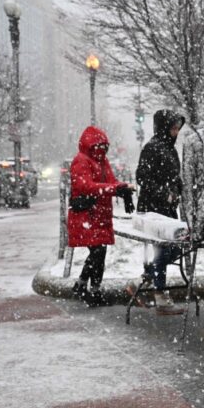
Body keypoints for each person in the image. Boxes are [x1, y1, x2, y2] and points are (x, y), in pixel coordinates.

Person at [68, 126, 135, 306]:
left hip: (100, 215)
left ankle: (84, 286)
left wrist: (123, 188)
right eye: (99, 146)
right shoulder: (81, 161)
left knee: (99, 252)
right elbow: (85, 186)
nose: (102, 150)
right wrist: (114, 189)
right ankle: (90, 290)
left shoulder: (102, 161)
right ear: (90, 145)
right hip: (87, 215)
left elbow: (110, 182)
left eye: (104, 147)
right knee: (98, 252)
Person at [133, 109, 186, 315]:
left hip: (167, 209)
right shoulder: (152, 148)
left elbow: (174, 176)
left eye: (177, 128)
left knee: (173, 248)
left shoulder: (169, 149)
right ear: (164, 127)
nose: (176, 132)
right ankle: (160, 294)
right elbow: (142, 177)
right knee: (164, 249)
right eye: (173, 128)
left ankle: (144, 282)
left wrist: (179, 189)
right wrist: (164, 193)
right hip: (154, 209)